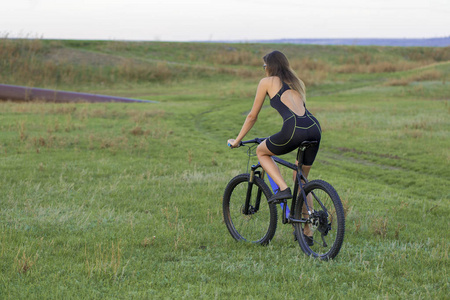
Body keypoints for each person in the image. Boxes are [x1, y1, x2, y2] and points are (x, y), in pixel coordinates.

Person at [227, 50, 322, 222]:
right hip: (314, 127)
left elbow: (252, 116)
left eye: (264, 66)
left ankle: (283, 188)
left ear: (270, 66)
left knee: (262, 152)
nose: (264, 69)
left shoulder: (267, 82)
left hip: (294, 129)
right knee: (301, 179)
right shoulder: (296, 82)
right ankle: (307, 229)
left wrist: (237, 141)